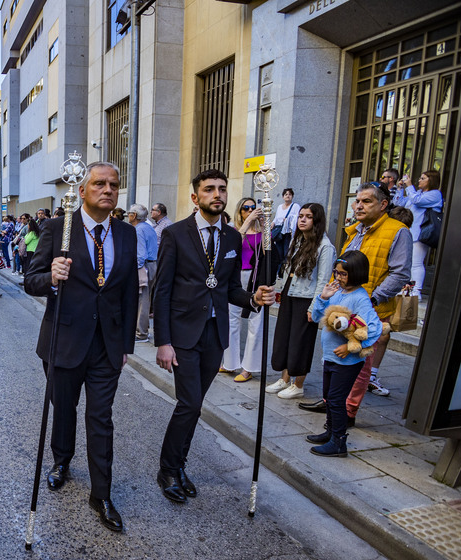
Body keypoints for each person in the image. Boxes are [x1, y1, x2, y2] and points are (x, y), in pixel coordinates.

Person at [24, 162, 140, 531]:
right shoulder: (58, 228)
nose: (108, 190)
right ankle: (61, 460)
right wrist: (51, 277)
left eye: (114, 184)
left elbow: (127, 293)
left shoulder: (126, 232)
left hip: (106, 345)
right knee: (64, 408)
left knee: (101, 417)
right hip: (65, 339)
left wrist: (126, 345)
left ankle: (101, 493)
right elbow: (31, 279)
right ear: (83, 190)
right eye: (99, 184)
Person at [153, 169, 275, 504]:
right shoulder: (176, 234)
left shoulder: (233, 238)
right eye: (209, 190)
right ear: (195, 197)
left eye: (222, 189)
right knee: (189, 402)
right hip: (182, 334)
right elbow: (161, 290)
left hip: (214, 334)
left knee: (195, 405)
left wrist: (253, 298)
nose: (217, 195)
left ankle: (178, 465)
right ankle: (167, 469)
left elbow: (230, 288)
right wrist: (162, 341)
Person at [301, 182, 410, 414]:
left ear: (383, 204)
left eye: (366, 201)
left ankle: (347, 412)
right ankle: (331, 402)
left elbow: (400, 273)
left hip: (368, 308)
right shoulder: (356, 229)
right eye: (357, 201)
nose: (359, 206)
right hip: (342, 306)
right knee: (334, 358)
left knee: (359, 363)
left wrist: (373, 299)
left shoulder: (398, 231)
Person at [307, 251, 381, 457]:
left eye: (343, 274)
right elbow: (315, 317)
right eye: (336, 273)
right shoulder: (337, 293)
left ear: (356, 274)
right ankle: (330, 433)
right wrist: (323, 297)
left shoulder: (361, 299)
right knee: (328, 398)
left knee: (337, 400)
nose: (338, 278)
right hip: (330, 357)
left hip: (347, 361)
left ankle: (339, 442)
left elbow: (374, 329)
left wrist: (349, 347)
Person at [267, 203, 335, 400]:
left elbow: (323, 280)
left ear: (317, 220)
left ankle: (299, 384)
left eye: (308, 217)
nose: (302, 220)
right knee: (284, 338)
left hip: (306, 299)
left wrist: (315, 307)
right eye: (301, 216)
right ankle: (285, 379)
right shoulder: (297, 241)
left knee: (301, 342)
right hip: (290, 294)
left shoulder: (325, 246)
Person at [220, 197, 266, 382]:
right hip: (238, 276)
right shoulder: (234, 231)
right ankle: (229, 363)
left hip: (257, 278)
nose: (250, 211)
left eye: (253, 208)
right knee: (232, 320)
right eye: (246, 208)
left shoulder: (263, 232)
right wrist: (247, 223)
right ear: (240, 211)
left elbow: (268, 254)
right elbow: (232, 245)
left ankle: (249, 368)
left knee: (256, 322)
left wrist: (264, 227)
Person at [393, 169, 442, 297]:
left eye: (423, 178)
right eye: (420, 178)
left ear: (431, 181)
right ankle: (407, 289)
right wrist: (400, 189)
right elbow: (399, 203)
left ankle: (417, 291)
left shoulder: (435, 194)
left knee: (416, 263)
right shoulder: (417, 193)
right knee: (407, 263)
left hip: (421, 234)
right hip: (409, 232)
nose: (419, 180)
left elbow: (416, 200)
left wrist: (409, 186)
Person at [130, 203, 157, 343]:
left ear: (134, 215)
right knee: (145, 299)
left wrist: (135, 270)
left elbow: (140, 255)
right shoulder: (148, 227)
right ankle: (143, 329)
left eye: (129, 213)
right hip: (152, 265)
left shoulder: (138, 230)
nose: (128, 216)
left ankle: (141, 333)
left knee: (142, 301)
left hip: (145, 266)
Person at [272, 188, 299, 256]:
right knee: (278, 251)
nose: (288, 196)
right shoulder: (280, 207)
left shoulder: (295, 206)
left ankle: (285, 265)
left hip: (288, 233)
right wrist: (272, 223)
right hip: (279, 231)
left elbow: (298, 218)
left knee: (287, 251)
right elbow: (276, 218)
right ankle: (279, 265)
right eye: (286, 194)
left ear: (292, 196)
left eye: (290, 194)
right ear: (283, 196)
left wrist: (288, 220)